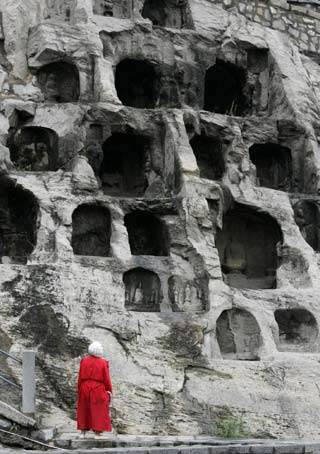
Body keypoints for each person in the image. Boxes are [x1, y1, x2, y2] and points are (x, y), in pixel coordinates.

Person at [77, 341, 112, 438]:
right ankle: (97, 433)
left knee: (84, 409)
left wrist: (79, 388)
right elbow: (106, 378)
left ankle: (82, 433)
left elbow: (80, 376)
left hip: (84, 387)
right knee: (98, 410)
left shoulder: (84, 361)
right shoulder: (103, 362)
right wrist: (109, 390)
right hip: (98, 388)